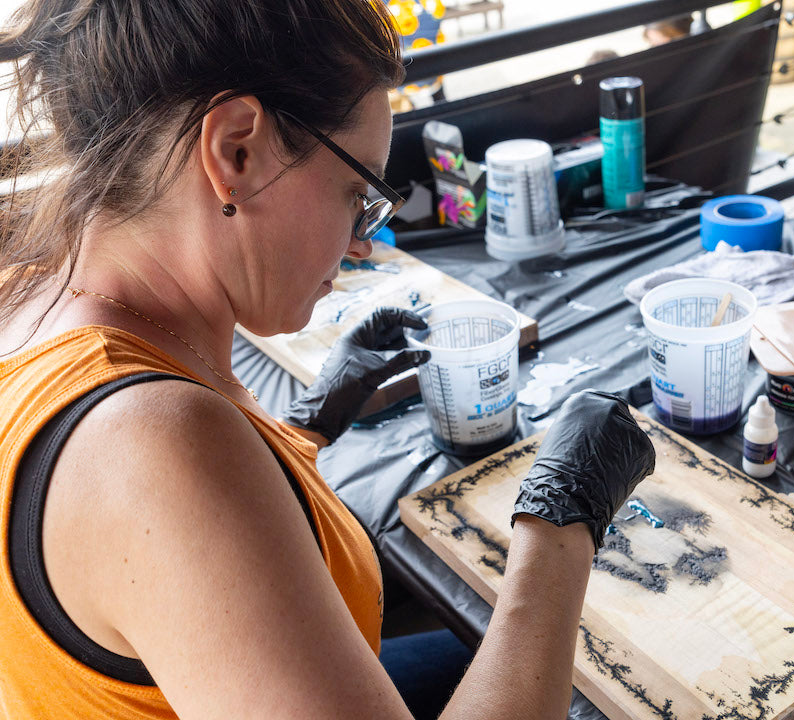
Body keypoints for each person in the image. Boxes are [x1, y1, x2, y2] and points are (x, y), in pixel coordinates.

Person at [0, 2, 656, 719]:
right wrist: (563, 522)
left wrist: (303, 428)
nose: (361, 246)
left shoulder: (38, 298)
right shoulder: (153, 443)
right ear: (235, 152)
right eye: (356, 194)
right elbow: (164, 498)